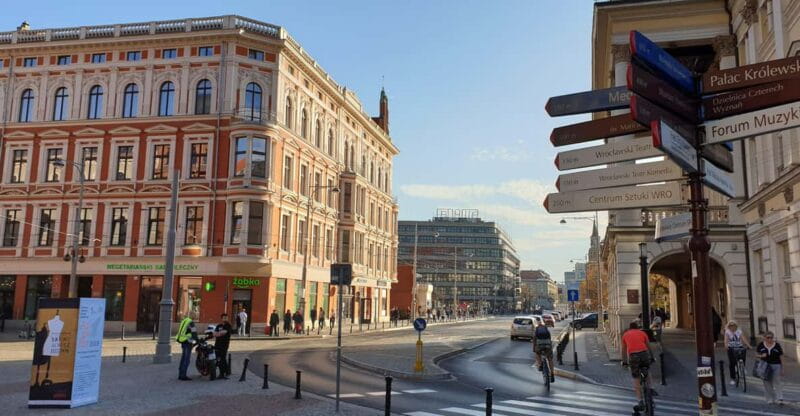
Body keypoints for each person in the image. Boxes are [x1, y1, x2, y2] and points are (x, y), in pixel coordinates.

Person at [621, 321, 654, 409]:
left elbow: (623, 350)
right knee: (647, 369)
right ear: (637, 327)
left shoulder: (625, 335)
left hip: (633, 356)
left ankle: (640, 401)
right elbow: (648, 346)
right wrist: (652, 357)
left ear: (630, 328)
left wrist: (624, 361)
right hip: (644, 354)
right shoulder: (642, 333)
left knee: (636, 378)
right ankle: (651, 388)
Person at [757, 331, 784, 405]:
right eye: (768, 337)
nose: (770, 339)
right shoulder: (761, 345)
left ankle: (780, 398)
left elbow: (781, 356)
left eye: (771, 338)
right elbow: (756, 355)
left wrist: (782, 368)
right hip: (765, 366)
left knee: (777, 381)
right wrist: (761, 356)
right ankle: (770, 398)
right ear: (764, 338)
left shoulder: (777, 345)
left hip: (776, 365)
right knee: (767, 383)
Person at [724, 321, 751, 386]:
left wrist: (749, 345)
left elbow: (743, 338)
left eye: (733, 325)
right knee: (732, 363)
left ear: (736, 326)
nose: (732, 327)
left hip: (739, 346)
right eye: (731, 326)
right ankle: (732, 378)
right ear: (729, 326)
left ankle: (742, 368)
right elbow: (726, 340)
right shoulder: (727, 332)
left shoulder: (739, 331)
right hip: (731, 347)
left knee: (742, 357)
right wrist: (726, 345)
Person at [176, 313, 198, 381]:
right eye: (195, 316)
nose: (195, 317)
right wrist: (197, 340)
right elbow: (194, 333)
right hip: (187, 342)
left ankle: (180, 374)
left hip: (182, 340)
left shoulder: (184, 320)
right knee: (186, 359)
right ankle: (183, 375)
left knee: (183, 358)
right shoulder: (191, 322)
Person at [213, 313, 232, 379]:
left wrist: (218, 333)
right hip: (217, 344)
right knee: (219, 358)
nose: (225, 319)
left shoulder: (228, 325)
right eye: (224, 318)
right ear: (221, 318)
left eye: (226, 318)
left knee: (222, 359)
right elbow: (214, 334)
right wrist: (219, 333)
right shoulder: (219, 325)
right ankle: (227, 371)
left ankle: (222, 374)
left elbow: (224, 332)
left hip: (224, 345)